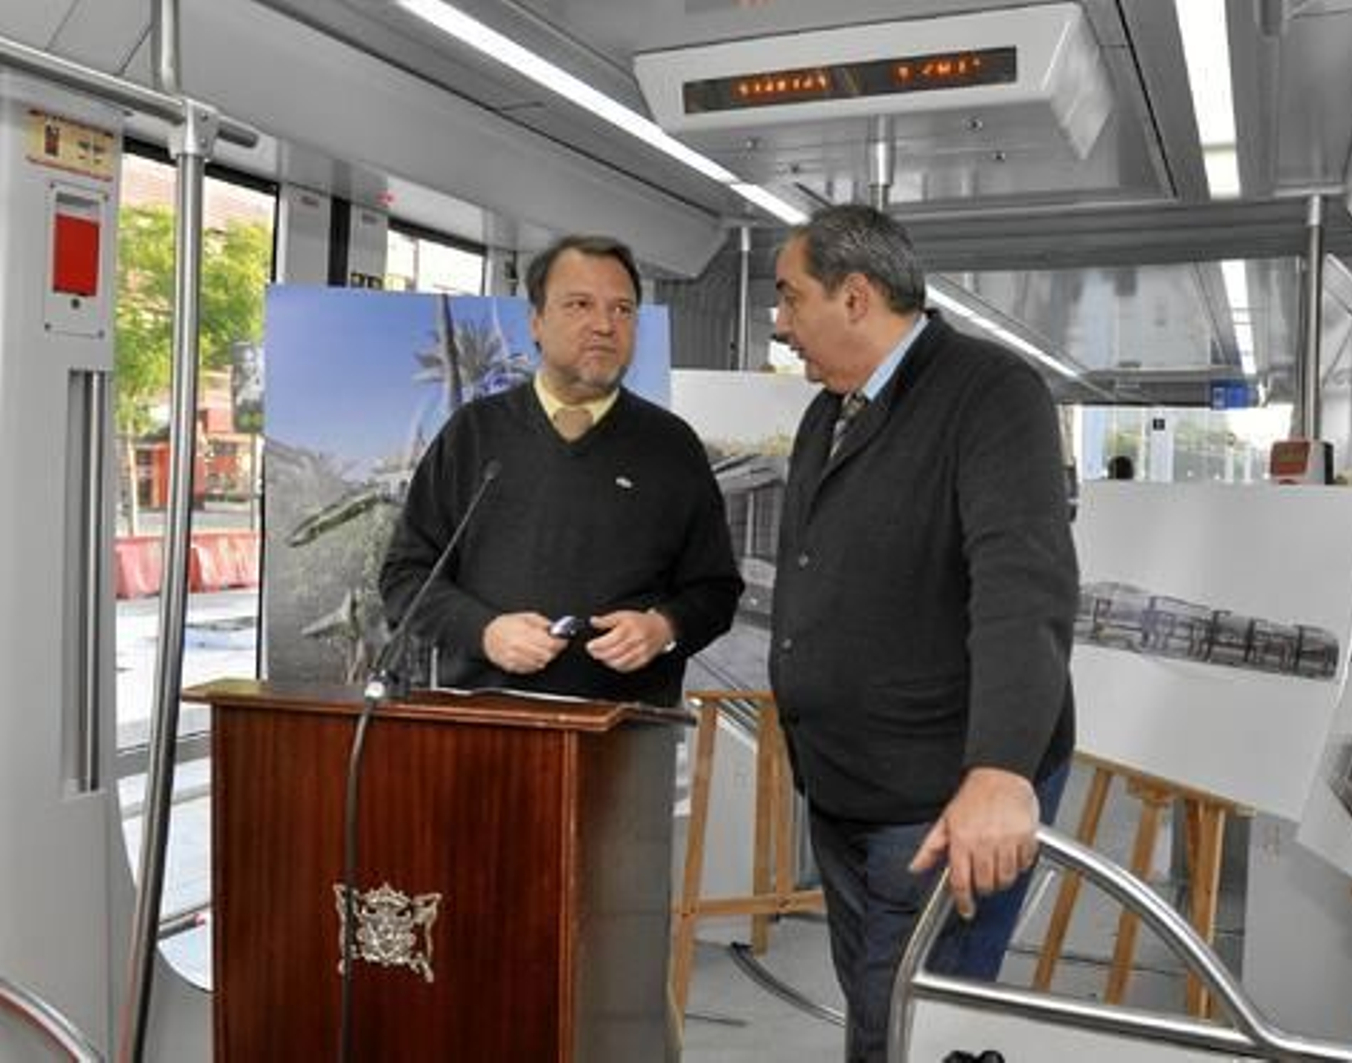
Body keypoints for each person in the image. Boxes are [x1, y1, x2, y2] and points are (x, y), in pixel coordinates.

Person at [768, 204, 1078, 1062]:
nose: (781, 323)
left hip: (943, 796)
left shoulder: (990, 394)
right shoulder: (829, 413)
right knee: (882, 1011)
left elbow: (1025, 587)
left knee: (905, 1029)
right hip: (846, 786)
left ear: (856, 296)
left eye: (791, 299)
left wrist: (1000, 769)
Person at [379, 234, 742, 706]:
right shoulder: (473, 435)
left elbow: (716, 590)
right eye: (579, 305)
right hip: (484, 726)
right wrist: (483, 632)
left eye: (622, 310)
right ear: (536, 321)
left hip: (625, 733)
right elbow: (405, 576)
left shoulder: (673, 446)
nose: (604, 325)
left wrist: (663, 627)